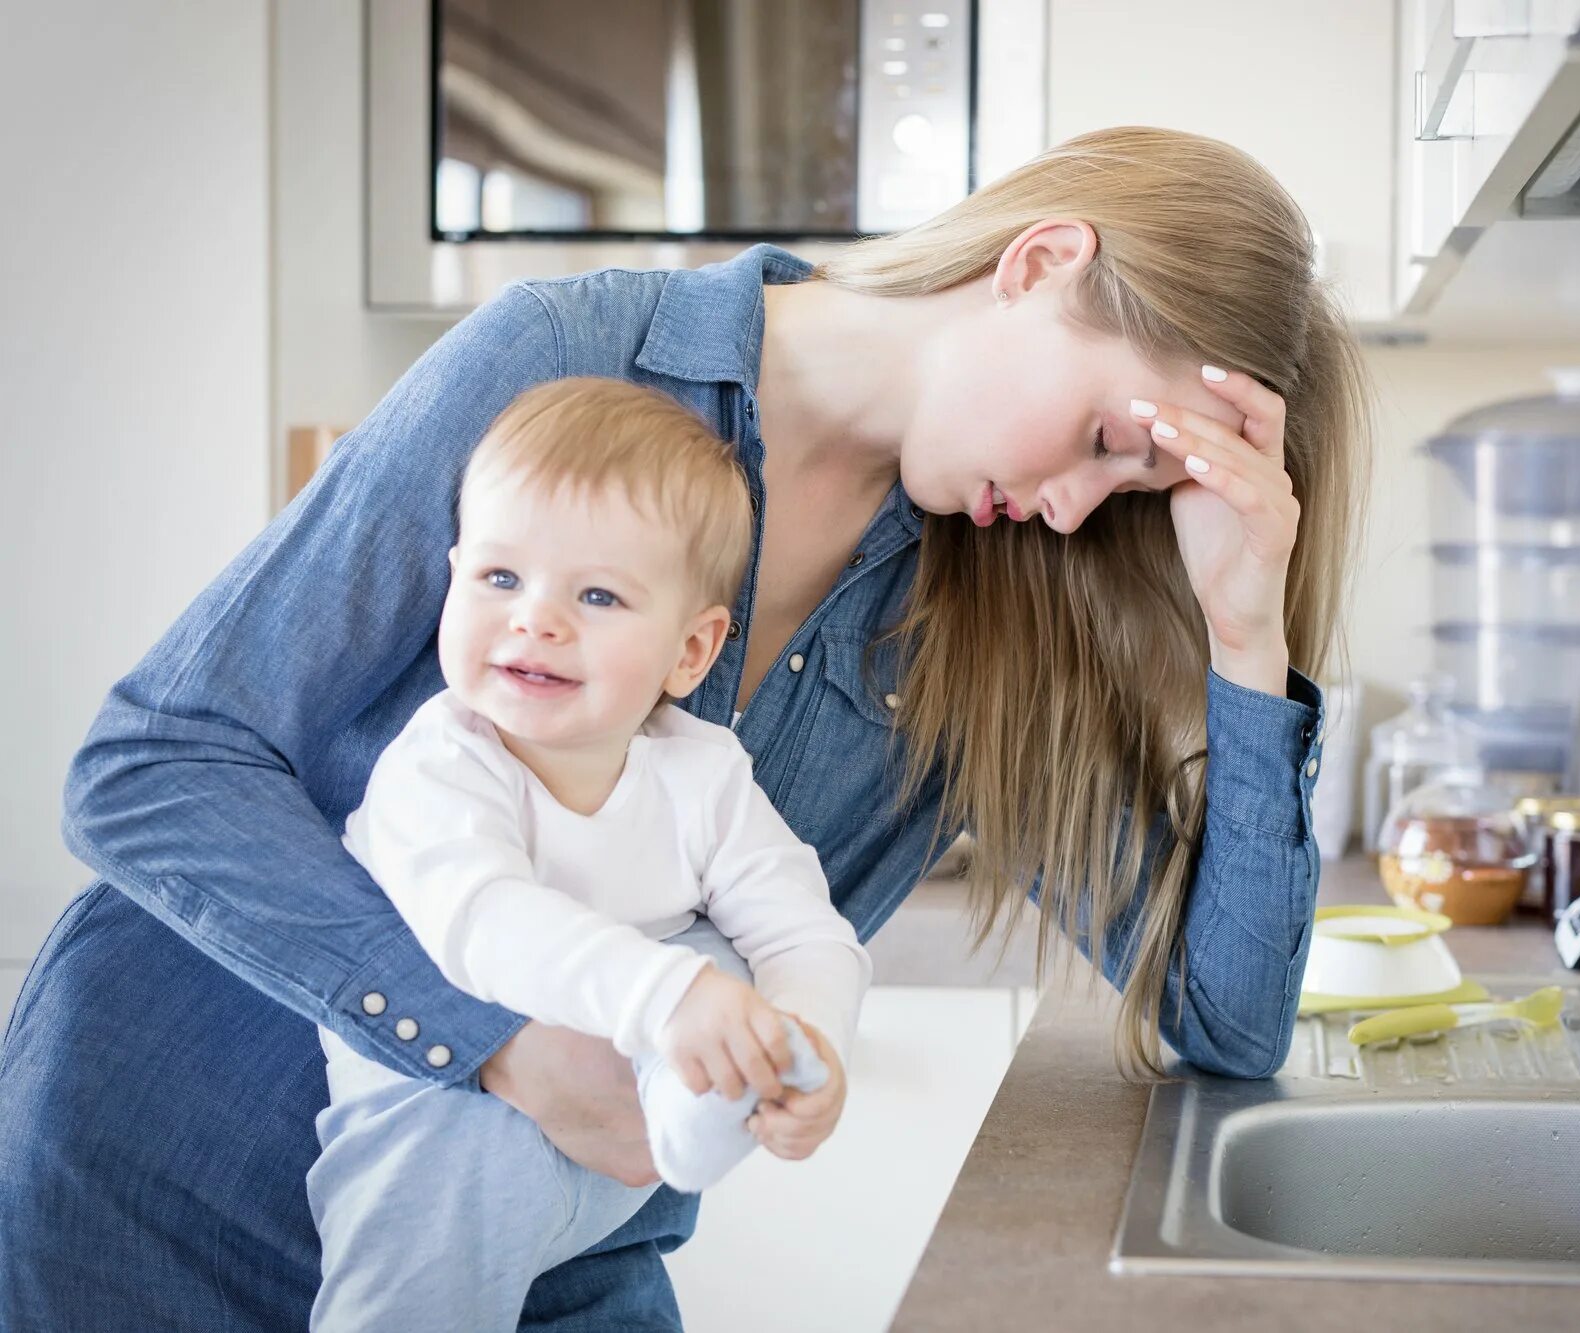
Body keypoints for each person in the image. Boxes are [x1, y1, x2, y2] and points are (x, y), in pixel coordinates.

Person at [0, 126, 1370, 1330]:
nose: (1078, 507)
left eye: (1126, 490)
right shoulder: (570, 358)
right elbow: (154, 769)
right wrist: (503, 1047)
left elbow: (1224, 1024)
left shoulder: (998, 606)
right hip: (163, 1182)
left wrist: (1249, 640)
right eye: (1099, 438)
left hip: (554, 1264)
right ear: (1040, 262)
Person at [308, 376, 870, 1330]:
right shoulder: (442, 762)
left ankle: (704, 1109)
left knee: (723, 957)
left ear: (690, 652)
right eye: (499, 579)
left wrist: (808, 1045)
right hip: (444, 1128)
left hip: (619, 1145)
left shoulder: (702, 775)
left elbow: (808, 931)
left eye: (598, 594)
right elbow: (481, 925)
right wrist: (667, 1000)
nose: (536, 618)